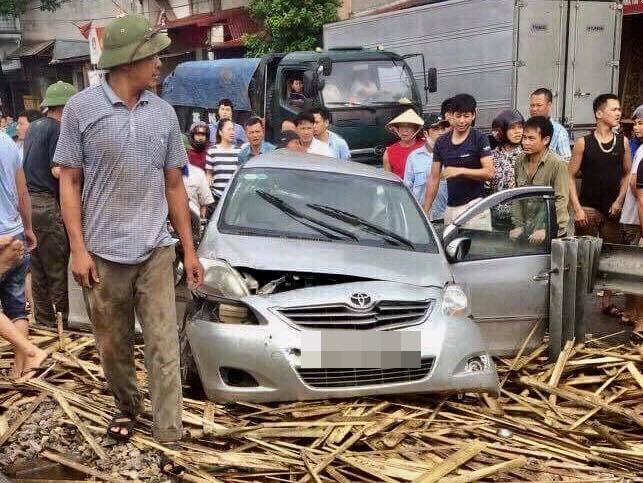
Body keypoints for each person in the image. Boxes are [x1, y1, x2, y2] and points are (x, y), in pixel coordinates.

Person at [54, 15, 203, 457]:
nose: (159, 63)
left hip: (156, 249)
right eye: (152, 55)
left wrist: (188, 250)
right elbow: (70, 182)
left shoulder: (163, 113)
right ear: (128, 61)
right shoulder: (81, 110)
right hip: (102, 254)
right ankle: (127, 405)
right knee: (113, 345)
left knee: (162, 343)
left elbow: (175, 185)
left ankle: (169, 432)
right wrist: (78, 250)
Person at [568, 93, 632, 322]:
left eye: (619, 110)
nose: (618, 113)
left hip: (612, 211)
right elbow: (570, 176)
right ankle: (574, 304)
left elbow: (627, 175)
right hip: (589, 210)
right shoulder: (583, 142)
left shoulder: (622, 142)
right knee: (584, 257)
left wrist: (619, 201)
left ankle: (607, 302)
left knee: (610, 256)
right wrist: (577, 209)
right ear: (599, 113)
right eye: (614, 109)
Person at [22, 81, 76, 329]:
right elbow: (57, 170)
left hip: (28, 205)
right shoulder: (57, 129)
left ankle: (43, 323)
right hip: (46, 204)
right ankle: (62, 323)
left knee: (38, 268)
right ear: (64, 108)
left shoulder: (33, 127)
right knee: (57, 268)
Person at [424, 94, 494, 228]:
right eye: (458, 116)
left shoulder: (480, 138)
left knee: (476, 248)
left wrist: (460, 171)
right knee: (450, 248)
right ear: (450, 116)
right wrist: (425, 210)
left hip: (475, 207)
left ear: (474, 115)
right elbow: (434, 178)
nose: (462, 121)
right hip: (450, 209)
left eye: (466, 116)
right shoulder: (441, 142)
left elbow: (489, 173)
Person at [0, 128, 37, 379]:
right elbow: (23, 192)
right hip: (15, 233)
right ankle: (19, 368)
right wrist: (28, 227)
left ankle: (29, 354)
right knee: (16, 307)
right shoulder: (8, 142)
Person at [511, 116, 569, 242]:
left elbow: (561, 200)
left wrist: (546, 228)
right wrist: (518, 225)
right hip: (528, 231)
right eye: (524, 138)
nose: (525, 142)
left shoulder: (557, 163)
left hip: (552, 232)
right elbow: (517, 197)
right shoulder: (520, 160)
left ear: (546, 140)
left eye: (531, 138)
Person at [0, 236, 48, 381]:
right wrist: (27, 230)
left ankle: (31, 353)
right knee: (16, 309)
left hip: (4, 244)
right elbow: (24, 211)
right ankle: (22, 366)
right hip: (16, 238)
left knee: (16, 308)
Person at [619, 105, 643, 329]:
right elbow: (636, 186)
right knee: (637, 269)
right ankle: (637, 317)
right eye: (636, 123)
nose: (636, 127)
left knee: (632, 268)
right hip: (636, 218)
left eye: (641, 123)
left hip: (633, 216)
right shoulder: (642, 151)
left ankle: (631, 313)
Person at [405, 113, 449, 221]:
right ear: (426, 133)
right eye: (435, 129)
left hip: (446, 217)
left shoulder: (452, 155)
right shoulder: (414, 157)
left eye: (443, 128)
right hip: (421, 218)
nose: (440, 132)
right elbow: (407, 188)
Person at [529, 88, 571, 161]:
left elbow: (566, 162)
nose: (534, 109)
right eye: (532, 105)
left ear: (549, 105)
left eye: (539, 105)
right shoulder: (526, 128)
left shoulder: (559, 131)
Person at [206, 119, 242, 200]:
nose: (232, 132)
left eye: (233, 129)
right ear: (220, 132)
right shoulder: (212, 151)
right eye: (229, 129)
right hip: (216, 196)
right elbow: (209, 175)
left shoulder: (239, 152)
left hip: (233, 199)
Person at [383, 109, 424, 179]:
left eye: (409, 126)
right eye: (402, 126)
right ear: (397, 129)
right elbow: (388, 180)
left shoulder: (426, 146)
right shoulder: (389, 152)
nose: (405, 130)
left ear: (416, 129)